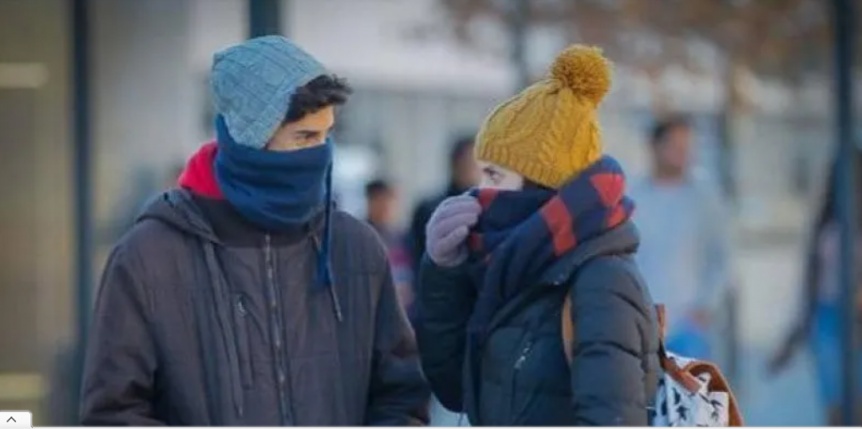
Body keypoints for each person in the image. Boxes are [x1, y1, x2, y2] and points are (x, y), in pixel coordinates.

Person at [80, 36, 430, 426]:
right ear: (250, 136)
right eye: (305, 137)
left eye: (327, 135)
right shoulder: (151, 256)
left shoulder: (356, 248)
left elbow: (402, 399)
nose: (321, 153)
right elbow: (112, 414)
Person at [416, 45, 659, 426]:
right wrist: (444, 273)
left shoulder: (601, 283)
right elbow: (456, 391)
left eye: (494, 176)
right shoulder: (513, 272)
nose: (479, 191)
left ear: (540, 186)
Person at [770, 154, 862, 425]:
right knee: (834, 405)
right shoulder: (826, 221)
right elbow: (809, 282)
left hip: (857, 319)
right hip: (825, 317)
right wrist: (793, 334)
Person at [628, 116, 731, 359]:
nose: (683, 154)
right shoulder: (633, 197)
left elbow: (723, 258)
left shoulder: (704, 199)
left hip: (689, 328)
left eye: (687, 147)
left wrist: (706, 308)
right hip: (642, 324)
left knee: (693, 394)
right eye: (675, 147)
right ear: (655, 147)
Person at [409, 136, 479, 273]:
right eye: (469, 163)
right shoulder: (429, 208)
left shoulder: (489, 207)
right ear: (455, 164)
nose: (475, 169)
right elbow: (417, 257)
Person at [365, 179, 415, 319]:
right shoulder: (359, 238)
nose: (384, 206)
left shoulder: (405, 237)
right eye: (378, 201)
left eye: (388, 201)